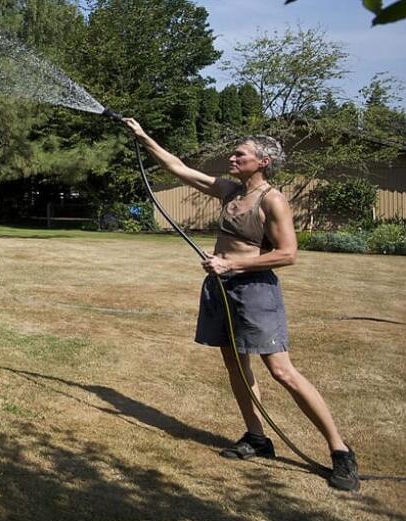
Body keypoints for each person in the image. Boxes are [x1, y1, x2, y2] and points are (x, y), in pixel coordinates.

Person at [122, 119, 359, 491]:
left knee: (282, 371)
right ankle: (256, 438)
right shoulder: (230, 192)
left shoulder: (272, 200)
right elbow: (179, 168)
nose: (232, 157)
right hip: (221, 287)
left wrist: (232, 263)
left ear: (262, 162)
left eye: (240, 154)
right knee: (234, 364)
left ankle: (340, 451)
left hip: (255, 291)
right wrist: (143, 137)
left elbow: (288, 254)